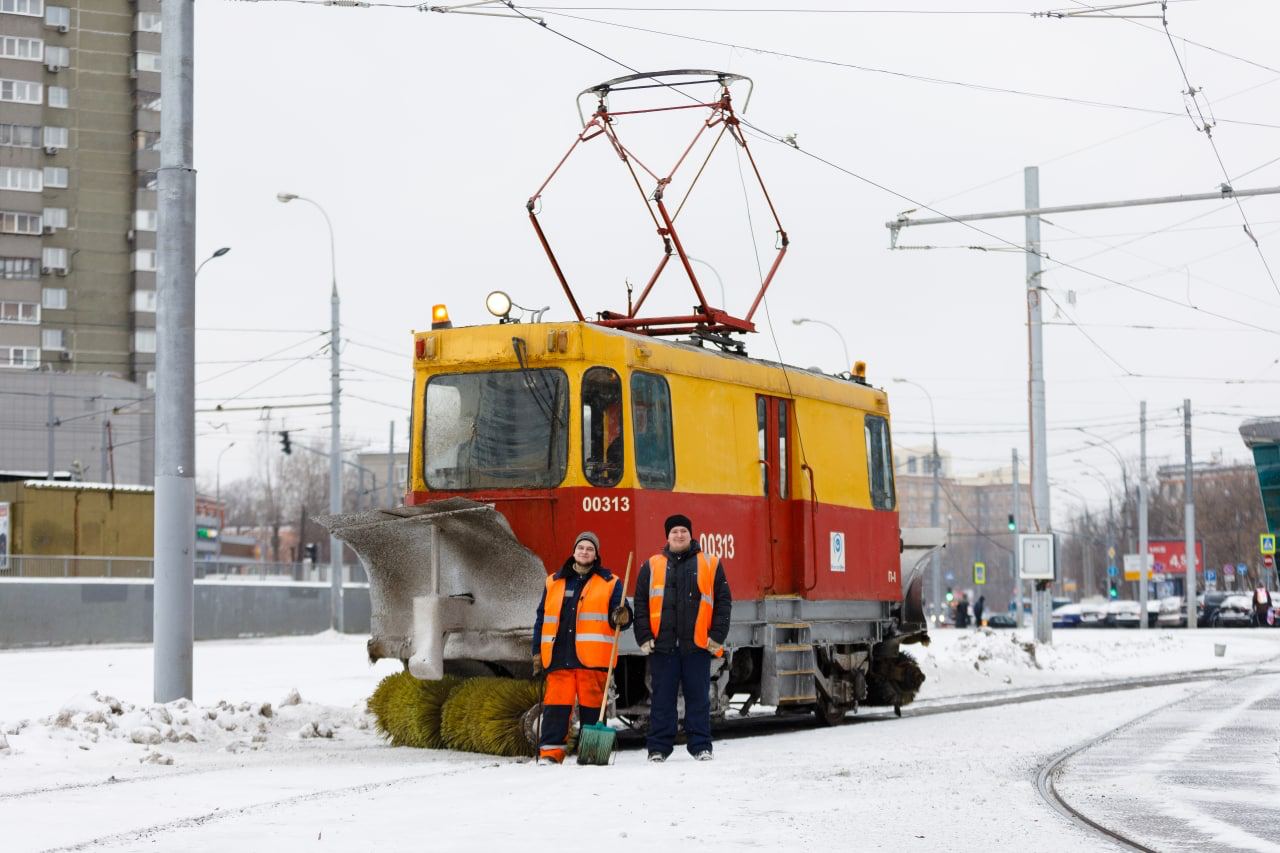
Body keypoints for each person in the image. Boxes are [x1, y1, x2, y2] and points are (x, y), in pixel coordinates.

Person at [633, 514, 731, 763]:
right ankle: (658, 748)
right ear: (667, 536)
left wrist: (717, 636)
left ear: (690, 535)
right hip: (662, 646)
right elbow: (641, 603)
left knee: (698, 699)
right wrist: (643, 636)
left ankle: (700, 746)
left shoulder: (710, 563)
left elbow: (723, 603)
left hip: (697, 645)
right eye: (674, 531)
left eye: (683, 532)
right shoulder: (651, 565)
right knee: (661, 701)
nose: (679, 535)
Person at [531, 531, 632, 764]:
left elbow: (622, 618)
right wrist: (537, 651)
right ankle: (551, 754)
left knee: (592, 709)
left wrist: (623, 615)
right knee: (556, 709)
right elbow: (541, 619)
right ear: (574, 551)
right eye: (581, 548)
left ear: (596, 554)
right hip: (558, 658)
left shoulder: (610, 582)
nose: (584, 552)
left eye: (589, 549)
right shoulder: (554, 581)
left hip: (593, 659)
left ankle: (592, 754)